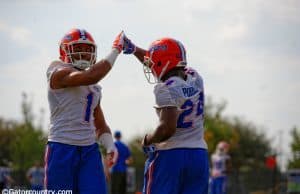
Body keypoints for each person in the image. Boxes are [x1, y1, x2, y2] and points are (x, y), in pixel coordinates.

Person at [122, 35, 209, 194]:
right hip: (198, 154)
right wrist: (135, 50)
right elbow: (159, 61)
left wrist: (148, 140)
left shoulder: (164, 88)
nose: (150, 66)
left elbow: (167, 129)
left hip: (171, 155)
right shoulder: (196, 77)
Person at [45, 28, 125, 193]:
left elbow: (100, 124)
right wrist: (116, 50)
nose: (86, 53)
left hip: (89, 150)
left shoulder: (94, 87)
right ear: (65, 50)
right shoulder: (58, 73)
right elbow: (91, 76)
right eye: (80, 48)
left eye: (89, 50)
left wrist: (110, 146)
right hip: (62, 147)